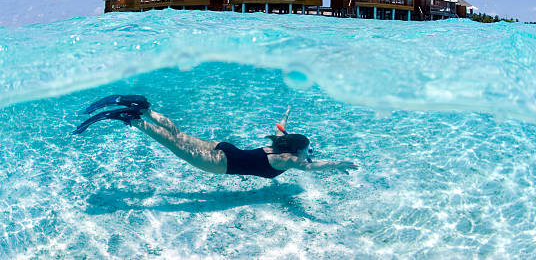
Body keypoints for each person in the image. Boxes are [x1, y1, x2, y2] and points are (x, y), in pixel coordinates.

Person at [73, 95, 357, 179]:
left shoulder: (278, 143)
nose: (308, 153)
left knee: (178, 134)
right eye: (307, 149)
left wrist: (286, 114)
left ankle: (146, 110)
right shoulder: (288, 159)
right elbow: (311, 166)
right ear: (298, 150)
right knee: (171, 143)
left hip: (224, 148)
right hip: (222, 163)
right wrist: (338, 164)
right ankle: (133, 120)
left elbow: (282, 128)